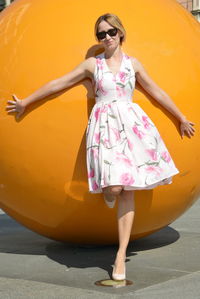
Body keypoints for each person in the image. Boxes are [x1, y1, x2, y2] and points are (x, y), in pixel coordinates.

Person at [6, 13, 195, 281]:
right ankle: (108, 194)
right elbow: (59, 83)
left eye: (110, 32)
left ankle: (120, 256)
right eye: (101, 34)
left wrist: (181, 117)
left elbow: (157, 91)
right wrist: (27, 102)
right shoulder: (92, 66)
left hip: (132, 128)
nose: (106, 37)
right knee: (114, 188)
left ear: (121, 33)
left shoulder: (133, 65)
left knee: (127, 191)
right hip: (104, 128)